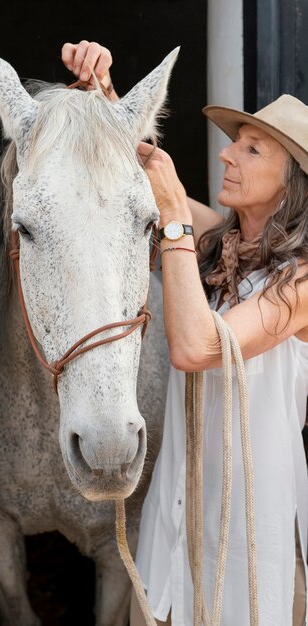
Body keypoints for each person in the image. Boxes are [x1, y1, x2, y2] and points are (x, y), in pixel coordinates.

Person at [62, 42, 308, 625]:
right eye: (234, 143)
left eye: (252, 149)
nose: (229, 157)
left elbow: (199, 347)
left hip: (253, 520)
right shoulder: (220, 246)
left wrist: (174, 211)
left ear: (293, 181)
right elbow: (137, 171)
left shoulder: (300, 280)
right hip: (181, 496)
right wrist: (102, 88)